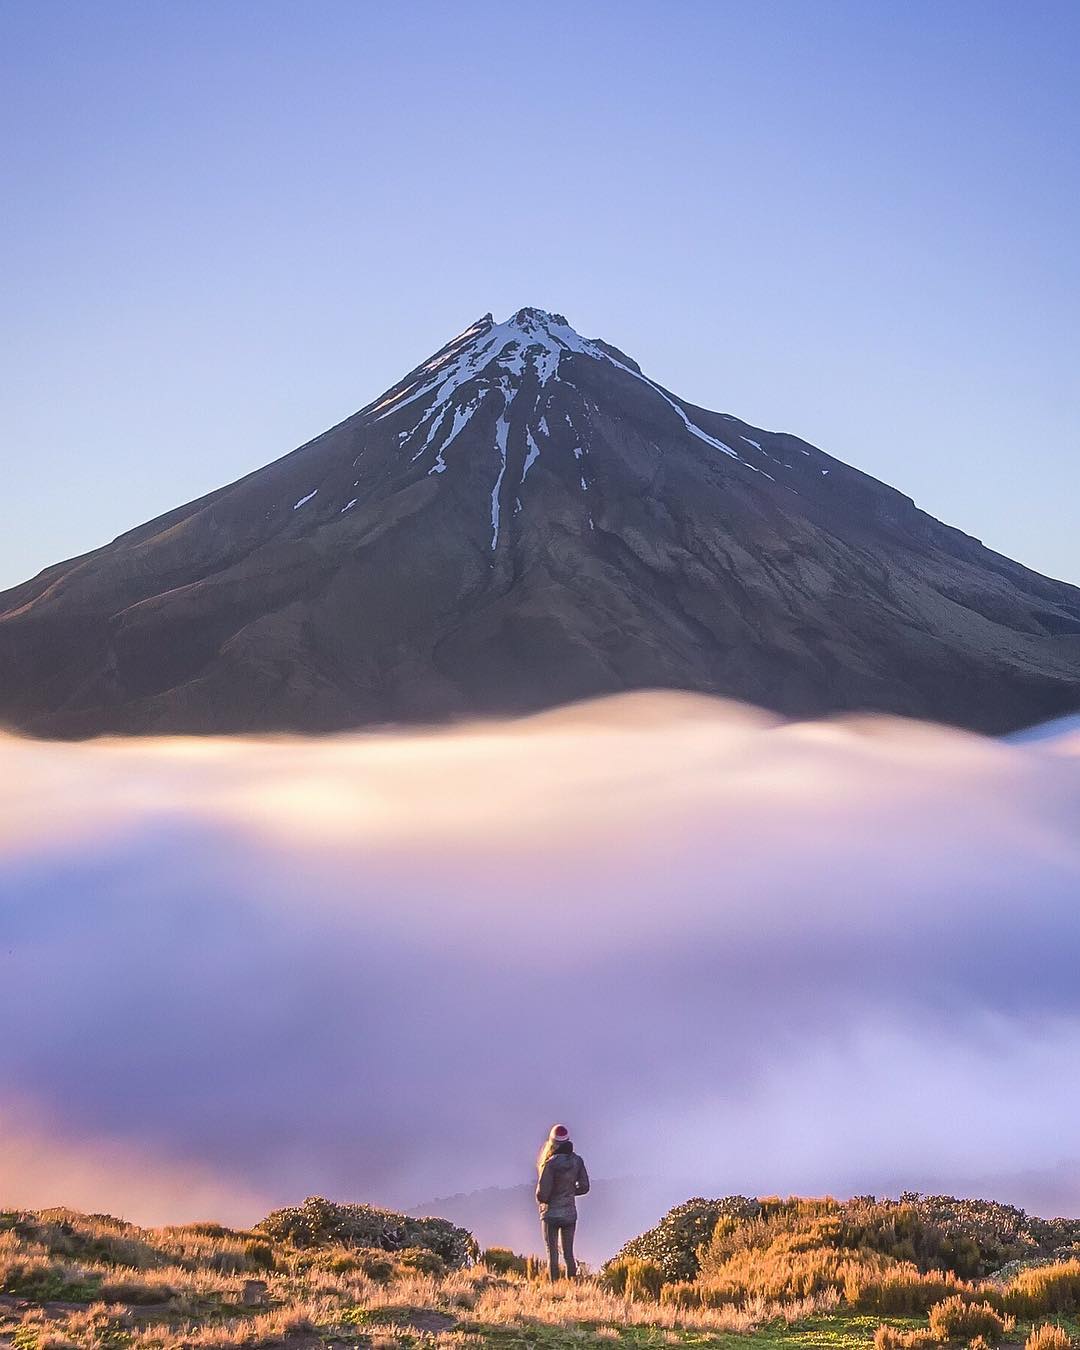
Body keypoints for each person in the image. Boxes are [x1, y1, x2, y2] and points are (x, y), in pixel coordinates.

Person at [535, 1123, 590, 1280]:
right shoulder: (577, 1161)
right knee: (568, 1254)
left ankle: (555, 1288)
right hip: (569, 1214)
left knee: (552, 1254)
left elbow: (542, 1195)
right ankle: (571, 1287)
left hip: (550, 1214)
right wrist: (570, 1192)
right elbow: (585, 1187)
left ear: (552, 1142)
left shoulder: (549, 1164)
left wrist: (551, 1196)